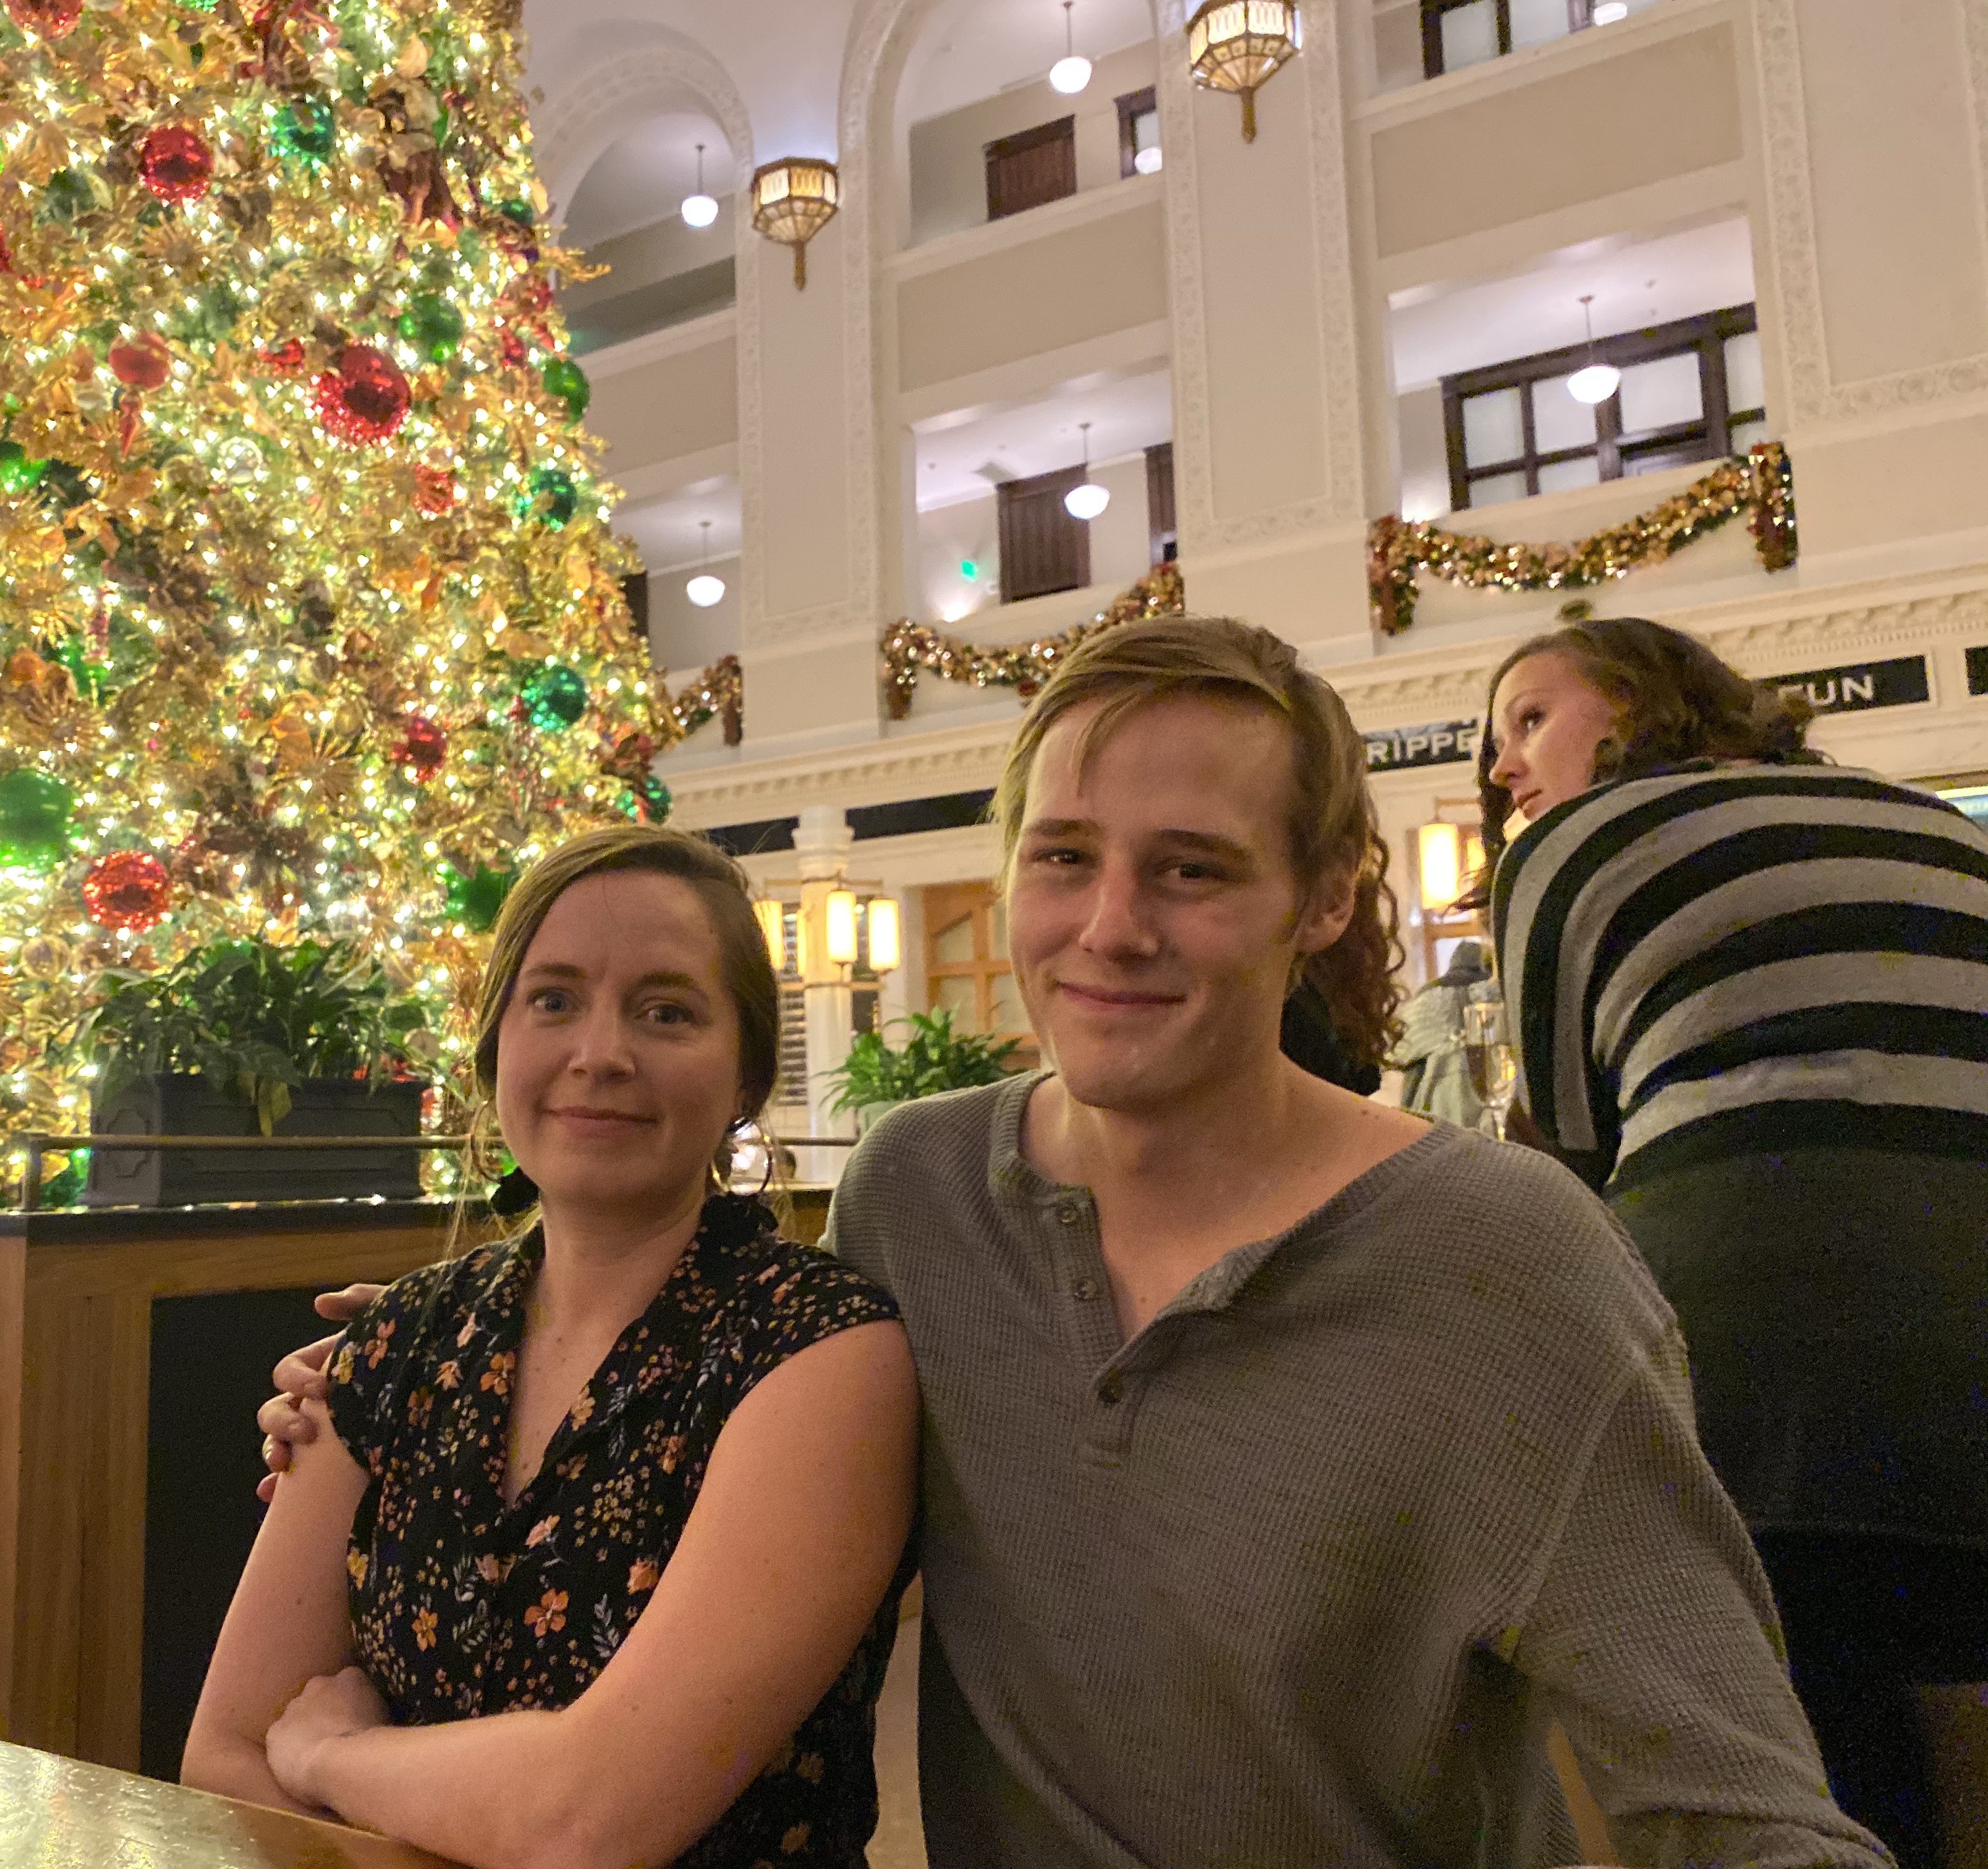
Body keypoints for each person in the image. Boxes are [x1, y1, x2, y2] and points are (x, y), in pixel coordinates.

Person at [268, 616, 1886, 1868]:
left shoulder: (1508, 1263)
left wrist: (336, 1748)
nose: (1111, 929)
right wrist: (433, 1356)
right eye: (1064, 860)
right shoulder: (919, 1195)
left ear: (1325, 899)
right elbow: (713, 1377)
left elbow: (1740, 1809)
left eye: (1191, 871)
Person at [184, 824, 919, 1868]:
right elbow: (223, 1755)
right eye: (554, 1000)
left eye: (666, 1011)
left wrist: (331, 1755)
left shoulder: (821, 1346)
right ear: (496, 1049)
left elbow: (591, 1819)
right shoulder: (400, 1336)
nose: (600, 1053)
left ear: (747, 1077)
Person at [1482, 614, 1988, 1868]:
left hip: (1751, 1342)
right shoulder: (1935, 821)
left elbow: (1568, 1164)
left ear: (1637, 703)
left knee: (1790, 1736)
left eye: (1529, 717)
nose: (1502, 766)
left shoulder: (1567, 842)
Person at [1393, 938, 1502, 1127]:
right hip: (1483, 1092)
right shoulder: (1490, 993)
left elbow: (1400, 1053)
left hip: (1430, 1094)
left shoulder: (1423, 999)